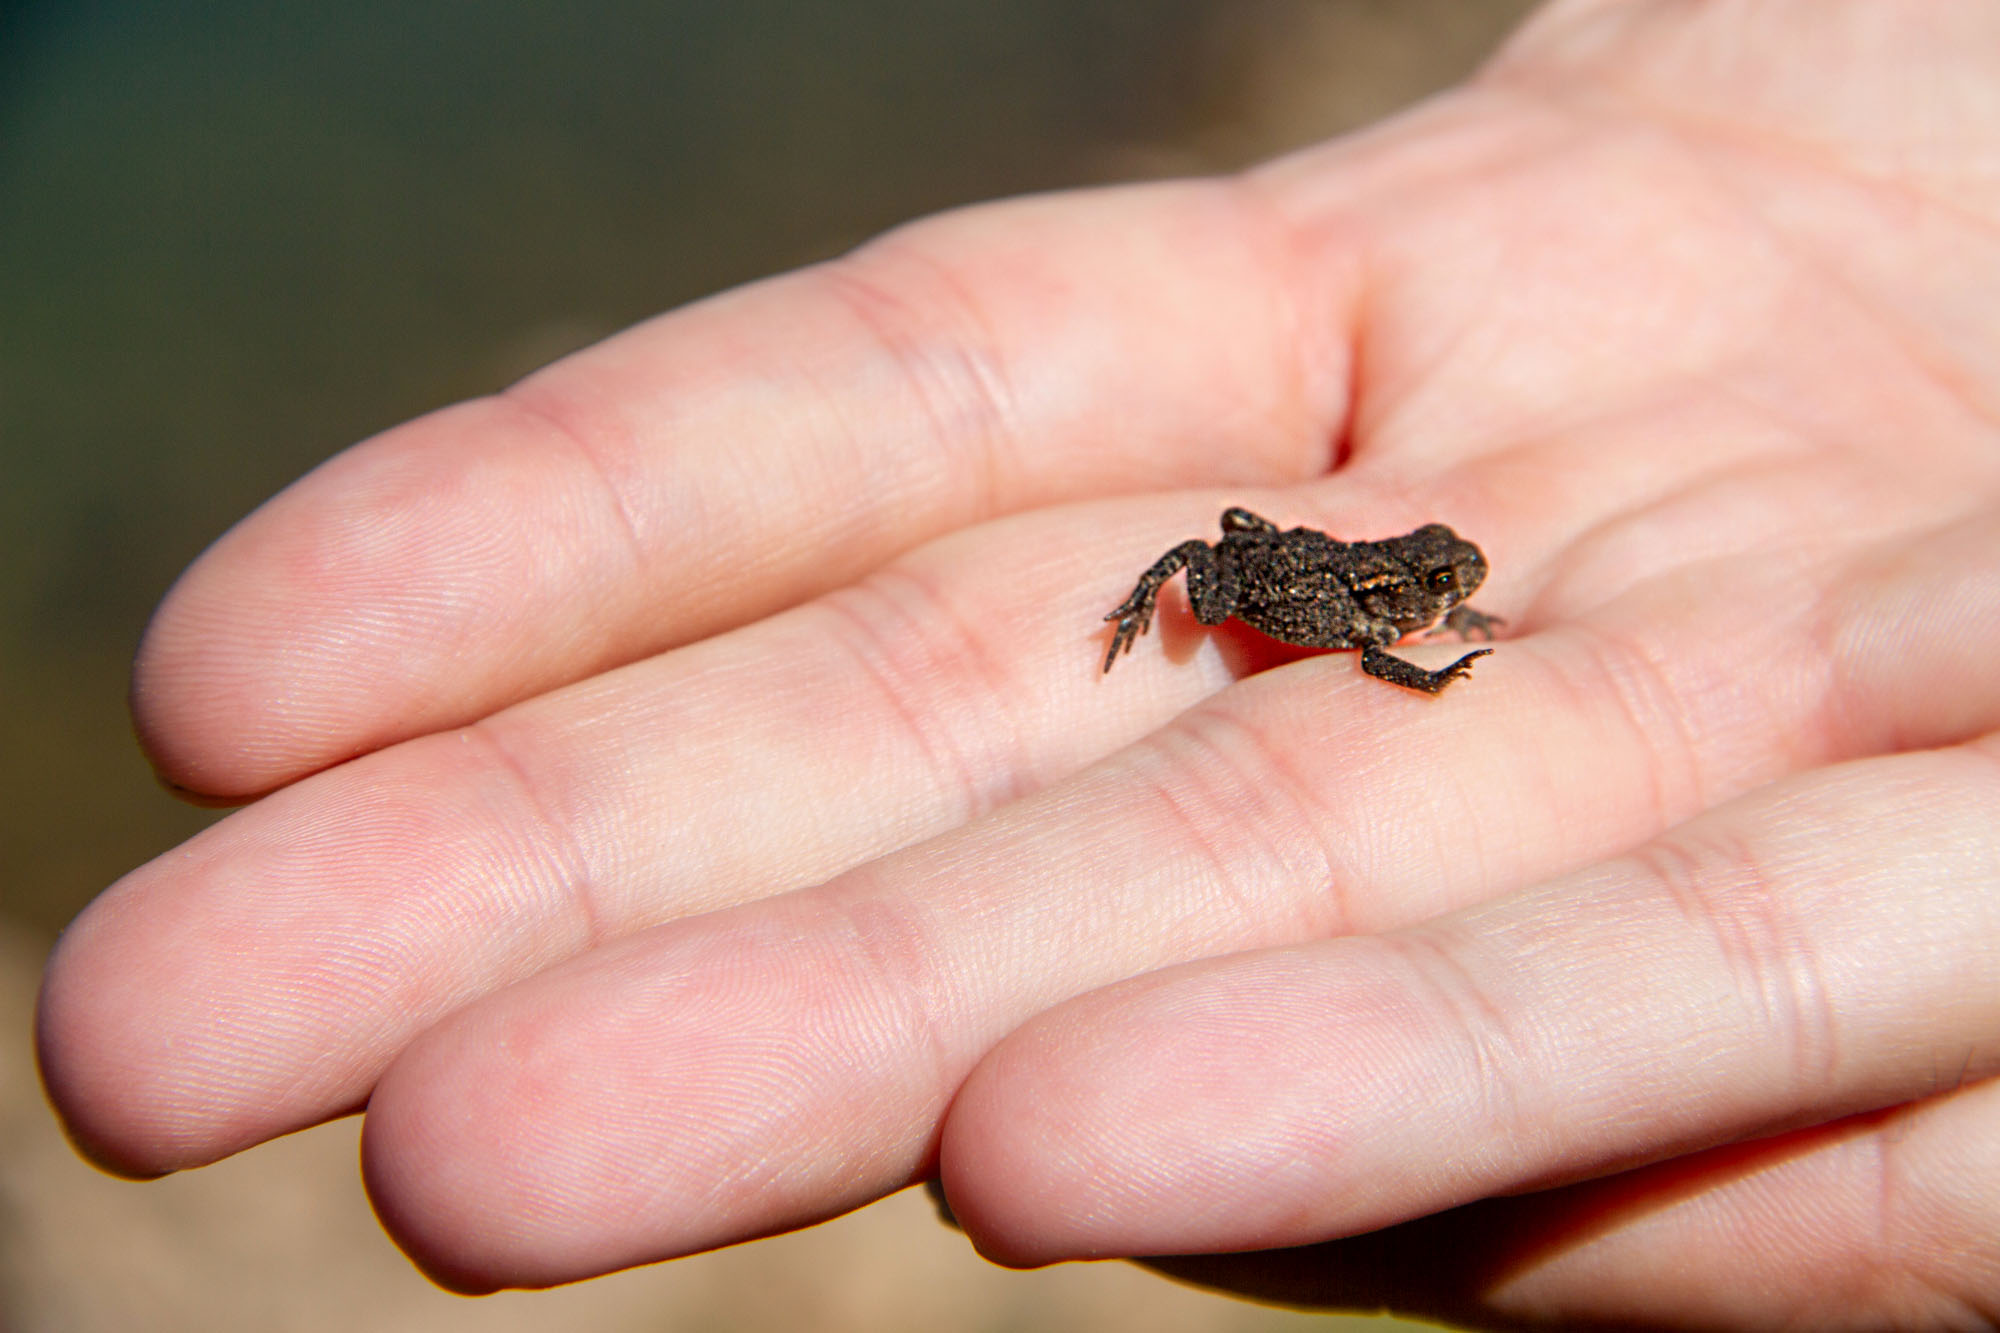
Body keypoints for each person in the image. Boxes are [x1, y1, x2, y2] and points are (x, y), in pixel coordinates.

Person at [36, 0, 2000, 1325]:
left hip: (1287, 587)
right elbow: (1343, 612)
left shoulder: (1400, 593)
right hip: (1268, 587)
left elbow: (1402, 621)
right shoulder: (1364, 601)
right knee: (1223, 558)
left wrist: (1428, 635)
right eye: (1444, 578)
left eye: (1445, 582)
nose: (1448, 588)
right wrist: (1322, 629)